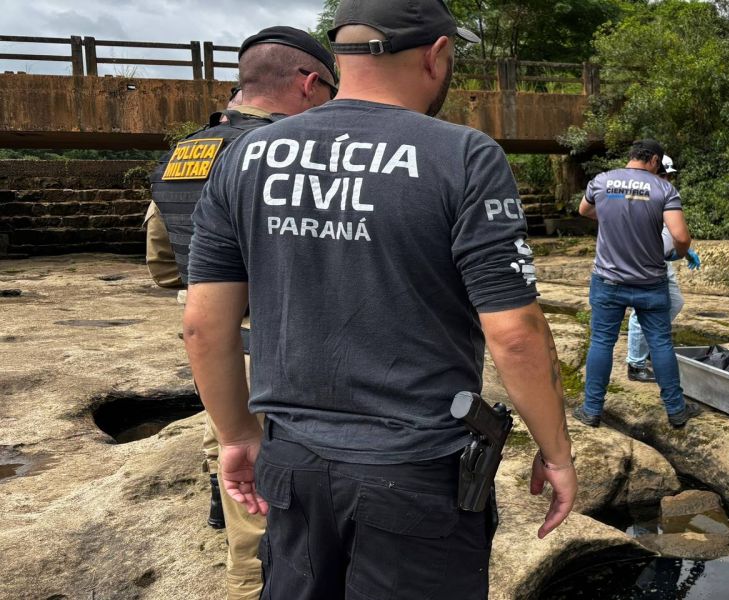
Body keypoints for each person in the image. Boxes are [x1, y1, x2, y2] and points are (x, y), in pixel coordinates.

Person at [183, 1, 577, 598]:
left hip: (293, 465)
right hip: (418, 474)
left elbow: (203, 327)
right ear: (437, 54)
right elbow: (516, 333)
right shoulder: (465, 157)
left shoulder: (244, 157)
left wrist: (236, 435)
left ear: (338, 55)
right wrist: (555, 451)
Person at [145, 26, 337, 600]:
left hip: (210, 330)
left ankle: (223, 510)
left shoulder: (189, 150)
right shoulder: (302, 150)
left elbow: (160, 259)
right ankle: (254, 580)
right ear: (309, 84)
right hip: (285, 337)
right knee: (274, 491)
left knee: (227, 438)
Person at [575, 139, 702, 428]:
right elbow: (681, 237)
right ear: (655, 161)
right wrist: (678, 254)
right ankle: (676, 411)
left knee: (602, 342)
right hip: (650, 281)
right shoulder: (664, 189)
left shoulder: (602, 181)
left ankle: (591, 410)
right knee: (660, 343)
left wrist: (608, 218)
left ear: (631, 157)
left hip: (608, 280)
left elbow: (584, 210)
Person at [625, 155, 700, 383]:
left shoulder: (666, 195)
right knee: (642, 313)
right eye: (664, 174)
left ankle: (647, 346)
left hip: (662, 261)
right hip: (644, 262)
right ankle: (635, 364)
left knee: (674, 302)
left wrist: (685, 251)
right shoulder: (638, 196)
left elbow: (673, 232)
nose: (668, 179)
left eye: (669, 175)